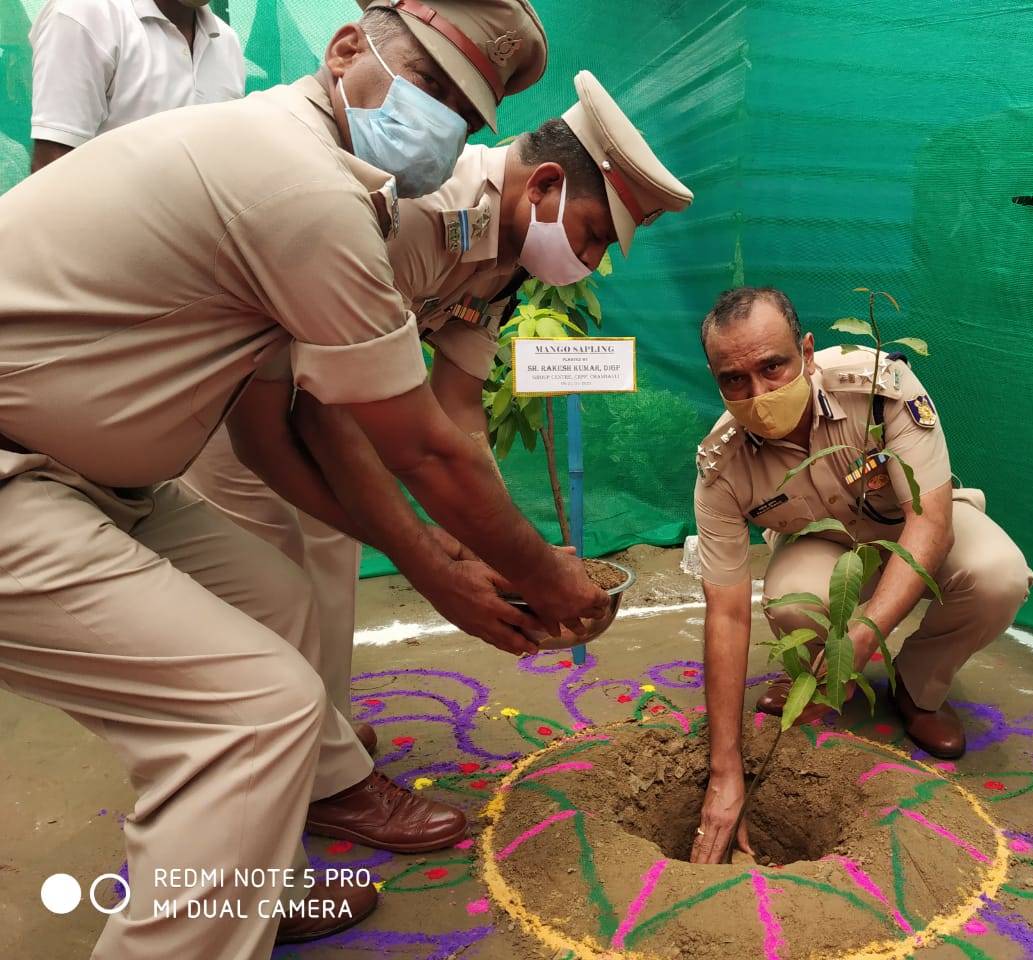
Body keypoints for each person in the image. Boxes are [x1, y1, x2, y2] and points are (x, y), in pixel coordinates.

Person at [0, 0, 609, 955]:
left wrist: (442, 555)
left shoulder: (330, 181)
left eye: (463, 111)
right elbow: (414, 443)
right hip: (17, 477)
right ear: (345, 48)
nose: (444, 123)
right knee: (256, 713)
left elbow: (288, 428)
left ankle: (242, 884)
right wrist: (528, 576)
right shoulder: (305, 188)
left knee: (279, 599)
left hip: (100, 478)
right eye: (434, 86)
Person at [183, 70, 695, 769]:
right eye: (593, 233)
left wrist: (493, 545)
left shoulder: (508, 255)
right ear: (544, 185)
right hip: (234, 403)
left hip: (321, 396)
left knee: (328, 563)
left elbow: (458, 411)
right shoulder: (421, 209)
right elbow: (327, 414)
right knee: (272, 587)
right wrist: (453, 562)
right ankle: (291, 767)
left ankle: (321, 741)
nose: (590, 260)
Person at [688, 286, 1033, 865]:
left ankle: (918, 689)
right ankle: (820, 672)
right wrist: (726, 771)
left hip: (920, 519)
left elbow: (929, 524)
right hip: (826, 544)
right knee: (793, 600)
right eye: (734, 380)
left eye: (773, 366)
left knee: (997, 576)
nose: (759, 393)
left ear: (807, 349)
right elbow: (726, 610)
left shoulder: (877, 389)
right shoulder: (720, 467)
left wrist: (867, 629)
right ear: (716, 381)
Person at [28, 0, 246, 173]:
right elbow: (51, 166)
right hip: (107, 227)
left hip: (198, 227)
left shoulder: (227, 42)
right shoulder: (85, 14)